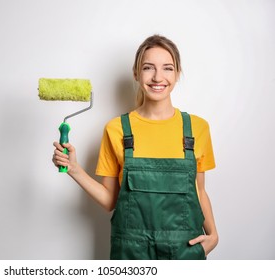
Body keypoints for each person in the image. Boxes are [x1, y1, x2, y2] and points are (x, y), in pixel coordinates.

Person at [52, 34, 219, 260]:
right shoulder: (117, 129)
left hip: (185, 250)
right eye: (148, 68)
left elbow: (199, 191)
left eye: (168, 68)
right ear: (136, 73)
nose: (158, 77)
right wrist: (74, 169)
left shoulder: (197, 128)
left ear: (178, 73)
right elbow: (110, 201)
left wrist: (214, 235)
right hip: (131, 254)